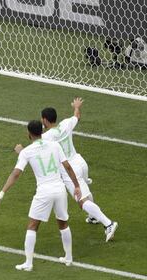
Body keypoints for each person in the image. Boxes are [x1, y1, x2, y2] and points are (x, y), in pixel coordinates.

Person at [0, 120, 81, 272]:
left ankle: (28, 263)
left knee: (33, 225)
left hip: (44, 192)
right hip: (60, 189)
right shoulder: (55, 145)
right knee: (63, 223)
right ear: (41, 131)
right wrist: (77, 186)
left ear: (29, 133)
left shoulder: (27, 152)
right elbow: (67, 166)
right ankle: (68, 258)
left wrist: (1, 194)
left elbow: (16, 174)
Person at [38, 98, 117, 242]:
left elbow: (35, 146)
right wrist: (76, 106)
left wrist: (20, 151)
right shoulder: (66, 123)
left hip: (70, 170)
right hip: (80, 162)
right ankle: (93, 217)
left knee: (82, 201)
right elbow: (77, 116)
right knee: (85, 190)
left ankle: (109, 224)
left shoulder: (46, 136)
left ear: (45, 120)